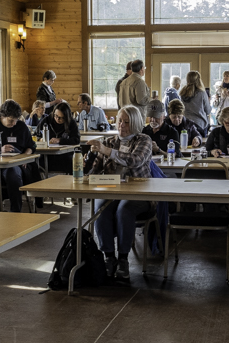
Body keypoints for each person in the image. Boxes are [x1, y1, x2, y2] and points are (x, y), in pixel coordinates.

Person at [87, 106, 153, 280]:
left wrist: (107, 151)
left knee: (124, 209)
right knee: (100, 208)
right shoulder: (110, 141)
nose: (122, 125)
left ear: (136, 123)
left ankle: (123, 258)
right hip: (112, 191)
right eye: (119, 121)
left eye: (126, 122)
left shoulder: (144, 140)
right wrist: (88, 164)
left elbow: (135, 161)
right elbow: (95, 170)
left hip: (139, 193)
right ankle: (109, 256)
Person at [37, 101, 80, 173]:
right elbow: (35, 135)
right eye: (55, 116)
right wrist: (40, 139)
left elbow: (76, 140)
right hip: (47, 155)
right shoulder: (47, 120)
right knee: (37, 164)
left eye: (61, 118)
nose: (57, 119)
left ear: (66, 117)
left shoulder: (71, 123)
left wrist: (60, 140)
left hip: (64, 155)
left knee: (72, 162)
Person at [179, 70, 211, 134]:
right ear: (198, 80)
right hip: (199, 124)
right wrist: (208, 101)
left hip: (186, 123)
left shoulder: (182, 93)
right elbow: (208, 111)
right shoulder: (202, 93)